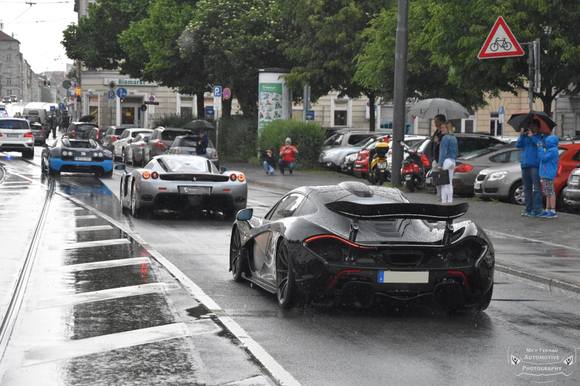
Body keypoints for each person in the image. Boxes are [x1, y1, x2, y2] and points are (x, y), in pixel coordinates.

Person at [516, 120, 543, 217]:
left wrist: (533, 137)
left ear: (537, 128)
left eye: (532, 126)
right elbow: (518, 145)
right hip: (525, 165)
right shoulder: (525, 137)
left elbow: (540, 145)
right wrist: (521, 135)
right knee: (526, 189)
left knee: (536, 188)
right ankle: (528, 209)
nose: (530, 128)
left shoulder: (540, 137)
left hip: (534, 166)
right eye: (530, 126)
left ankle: (537, 210)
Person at [537, 135, 559, 218]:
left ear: (550, 142)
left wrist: (540, 148)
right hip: (545, 173)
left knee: (550, 192)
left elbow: (543, 158)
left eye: (547, 142)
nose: (545, 143)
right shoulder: (550, 150)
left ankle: (553, 211)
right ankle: (547, 209)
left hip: (548, 174)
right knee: (547, 192)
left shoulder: (553, 150)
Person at [437, 121, 458, 204]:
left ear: (447, 128)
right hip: (453, 161)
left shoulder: (445, 138)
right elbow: (456, 151)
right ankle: (450, 201)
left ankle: (444, 202)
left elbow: (443, 152)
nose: (441, 129)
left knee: (443, 183)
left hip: (446, 161)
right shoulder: (454, 137)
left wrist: (440, 164)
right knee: (450, 182)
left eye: (443, 128)